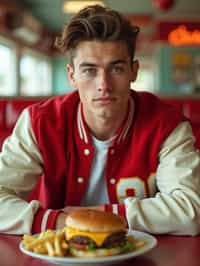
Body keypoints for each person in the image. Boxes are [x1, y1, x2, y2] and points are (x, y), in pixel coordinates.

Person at [0, 5, 200, 236]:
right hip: (58, 256)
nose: (103, 84)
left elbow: (191, 209)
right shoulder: (40, 122)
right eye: (89, 70)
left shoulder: (168, 125)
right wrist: (62, 222)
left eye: (116, 68)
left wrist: (100, 216)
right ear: (72, 75)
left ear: (133, 72)